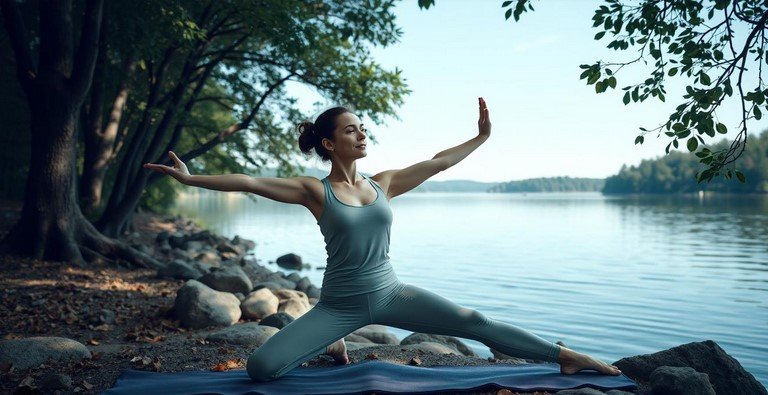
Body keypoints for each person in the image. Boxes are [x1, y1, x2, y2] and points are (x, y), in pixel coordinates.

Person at [143, 97, 623, 382]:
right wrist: (191, 180)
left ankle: (565, 356)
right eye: (352, 129)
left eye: (362, 127)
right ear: (330, 144)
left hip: (392, 292)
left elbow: (437, 162)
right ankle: (331, 342)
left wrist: (479, 139)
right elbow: (248, 181)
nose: (361, 133)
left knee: (473, 319)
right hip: (340, 305)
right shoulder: (315, 190)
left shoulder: (382, 183)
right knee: (260, 370)